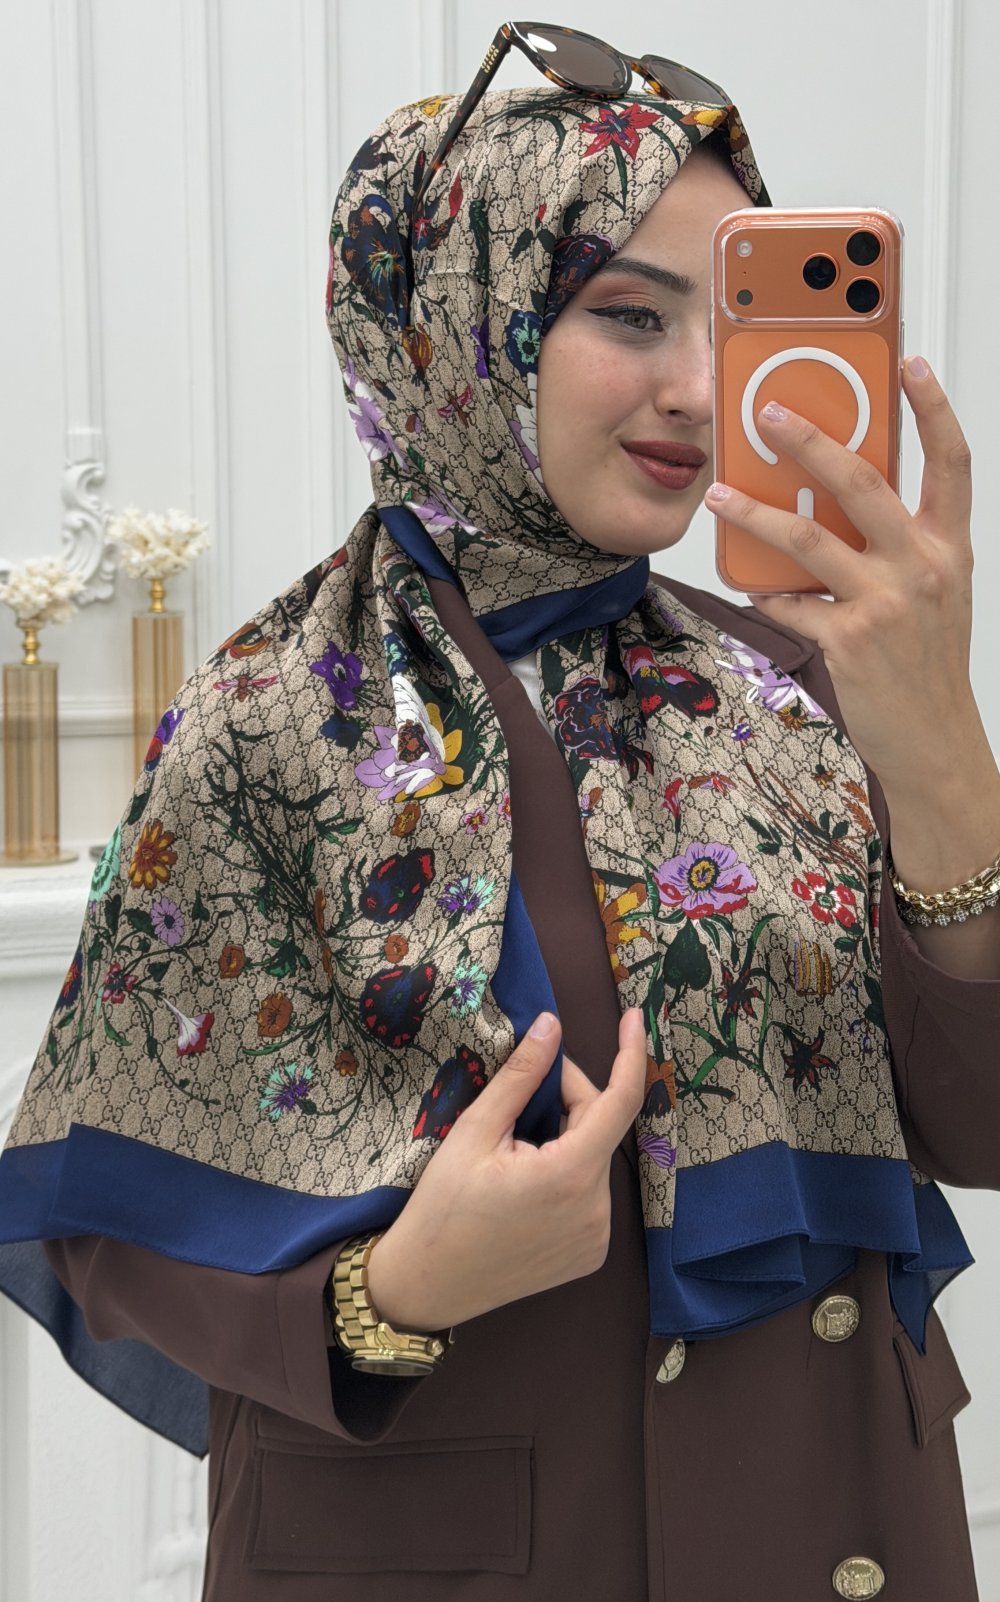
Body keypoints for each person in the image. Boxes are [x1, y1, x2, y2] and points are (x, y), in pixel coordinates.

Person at [1, 23, 998, 1602]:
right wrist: (394, 1289)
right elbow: (109, 1214)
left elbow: (981, 1124)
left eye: (728, 317)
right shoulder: (279, 716)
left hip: (828, 1523)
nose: (700, 387)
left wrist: (943, 749)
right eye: (629, 312)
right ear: (459, 315)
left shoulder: (797, 685)